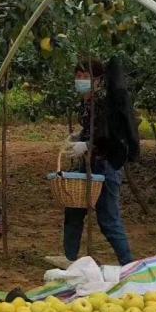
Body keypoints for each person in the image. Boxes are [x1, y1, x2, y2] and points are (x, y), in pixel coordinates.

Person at [63, 57, 138, 265]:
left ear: (98, 79)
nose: (80, 80)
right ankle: (70, 259)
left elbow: (110, 135)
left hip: (105, 165)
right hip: (89, 163)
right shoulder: (87, 103)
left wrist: (87, 145)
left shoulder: (103, 104)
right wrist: (80, 137)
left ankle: (128, 264)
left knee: (108, 219)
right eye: (78, 76)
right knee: (74, 208)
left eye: (85, 76)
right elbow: (94, 130)